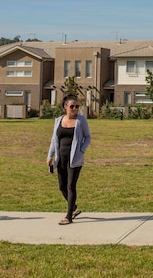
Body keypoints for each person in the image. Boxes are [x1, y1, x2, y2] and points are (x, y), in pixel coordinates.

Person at [46, 95, 91, 225]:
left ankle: (68, 216)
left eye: (77, 106)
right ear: (65, 107)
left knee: (71, 186)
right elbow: (54, 140)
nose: (75, 109)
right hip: (61, 159)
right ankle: (74, 207)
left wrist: (81, 150)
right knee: (62, 187)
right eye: (72, 106)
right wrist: (50, 156)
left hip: (75, 159)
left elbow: (87, 137)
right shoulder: (58, 120)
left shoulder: (81, 121)